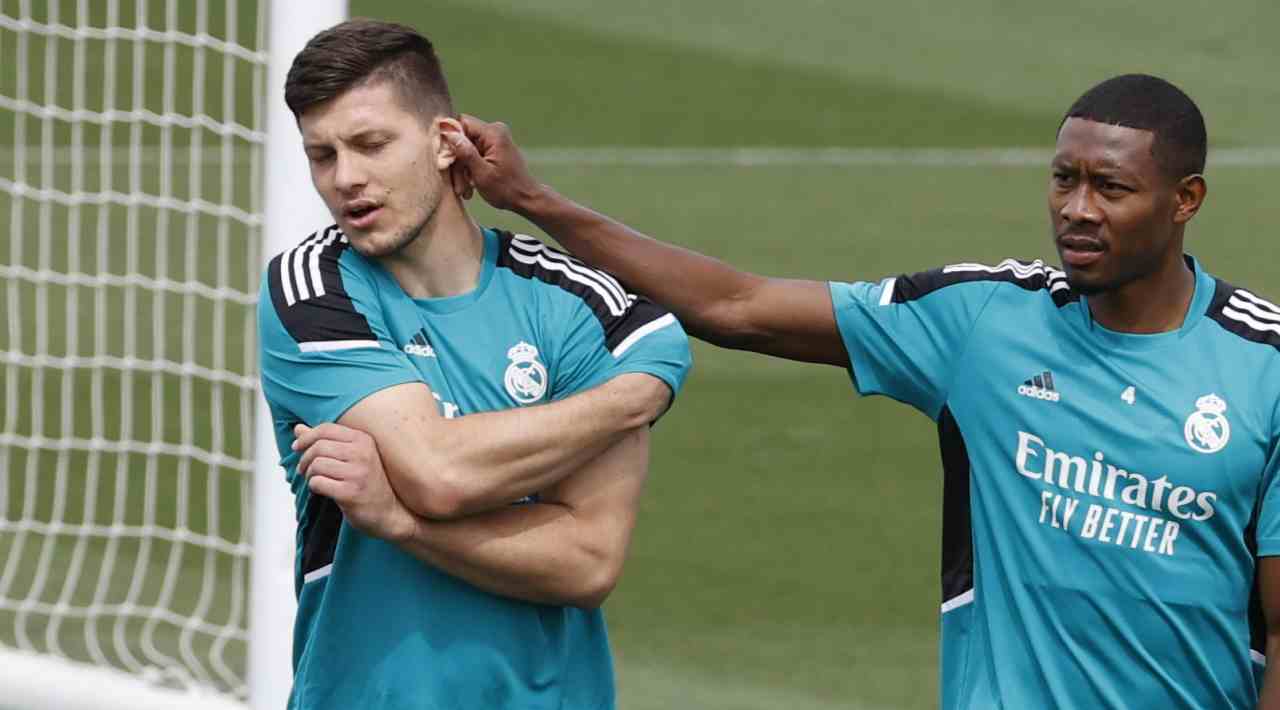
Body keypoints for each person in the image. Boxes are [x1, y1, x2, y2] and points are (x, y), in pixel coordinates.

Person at [443, 74, 1280, 708]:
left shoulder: (1265, 367)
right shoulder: (983, 322)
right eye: (1065, 179)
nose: (1077, 210)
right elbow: (738, 307)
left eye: (1111, 188)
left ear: (1186, 200)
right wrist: (531, 199)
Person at [256, 19, 691, 710]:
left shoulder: (576, 304)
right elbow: (439, 474)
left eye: (371, 145)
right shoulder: (310, 290)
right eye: (322, 155)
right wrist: (629, 398)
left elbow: (588, 563)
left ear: (444, 141)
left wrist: (400, 521)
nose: (346, 178)